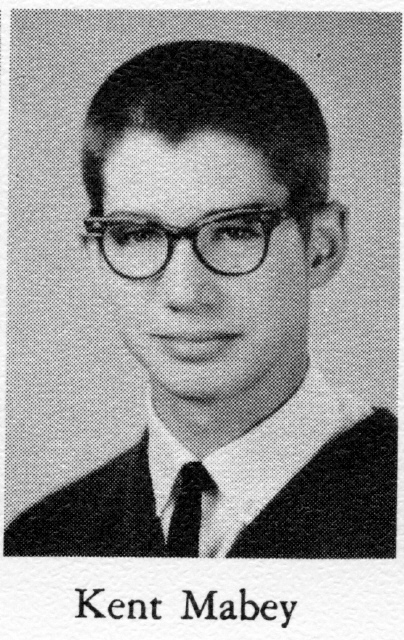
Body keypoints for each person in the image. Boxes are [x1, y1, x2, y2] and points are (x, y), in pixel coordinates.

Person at [4, 40, 397, 558]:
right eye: (137, 235)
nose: (186, 293)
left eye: (235, 231)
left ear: (321, 247)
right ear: (97, 254)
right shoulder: (40, 544)